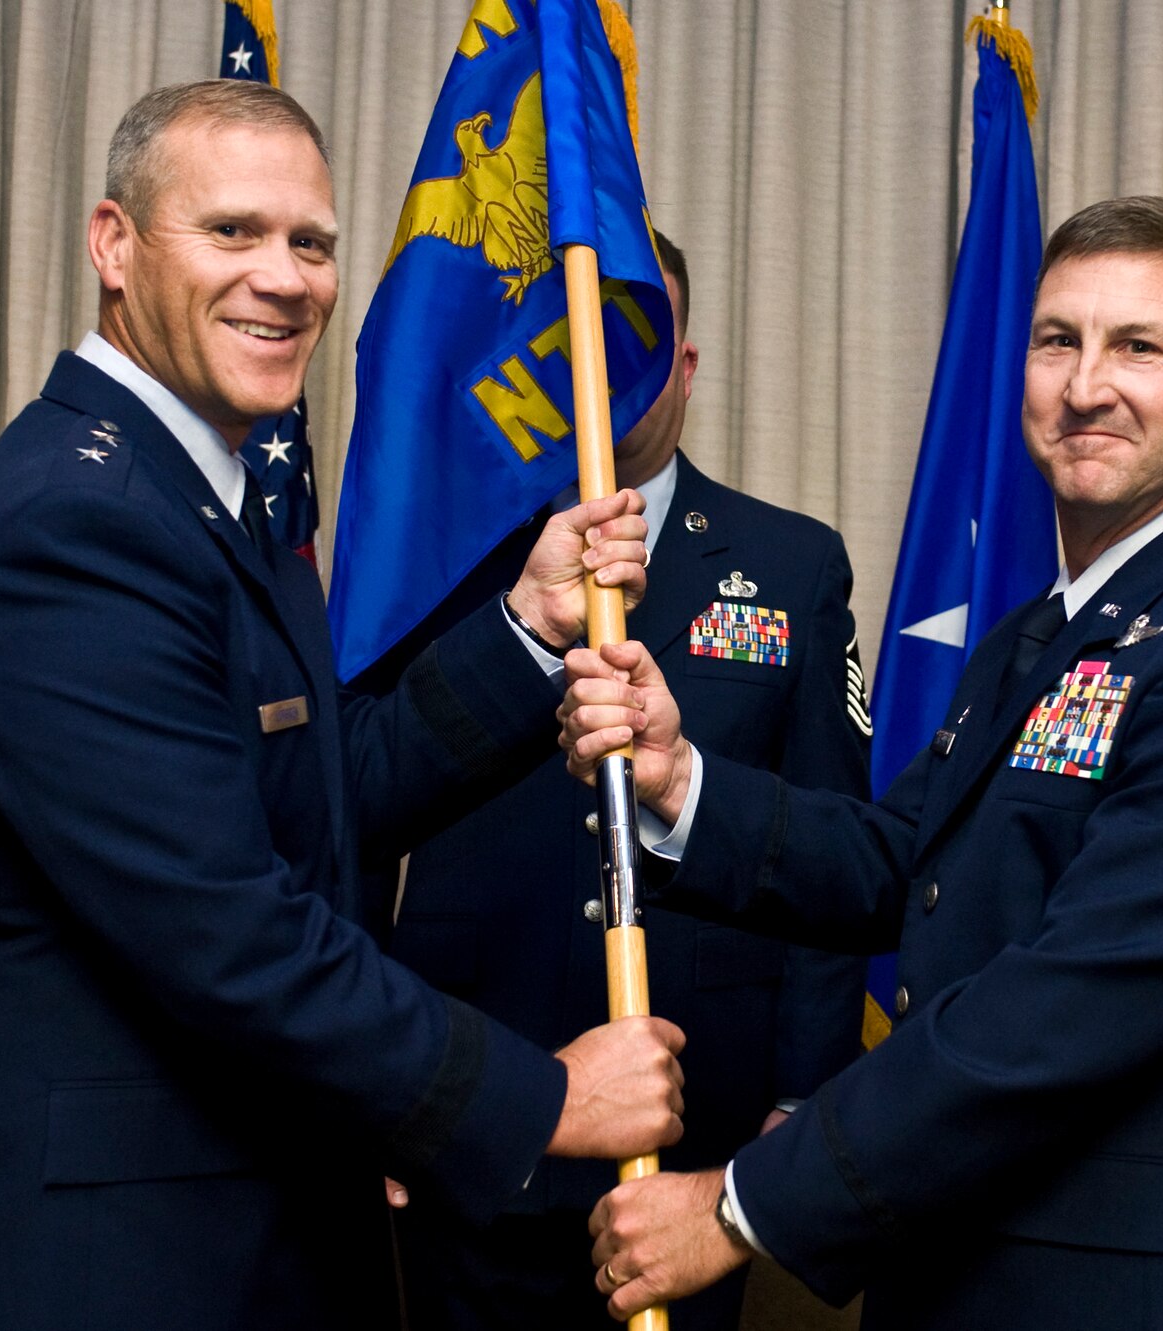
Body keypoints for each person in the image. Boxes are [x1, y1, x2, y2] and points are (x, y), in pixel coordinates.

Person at [0, 80, 687, 1331]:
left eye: (311, 241)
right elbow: (226, 930)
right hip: (117, 1264)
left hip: (254, 1224)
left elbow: (319, 796)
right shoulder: (70, 528)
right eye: (234, 232)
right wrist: (542, 1099)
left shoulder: (206, 493)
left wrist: (530, 627)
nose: (287, 277)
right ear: (113, 244)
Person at [562, 196, 1163, 1330]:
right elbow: (907, 862)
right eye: (1058, 340)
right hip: (953, 1262)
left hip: (1121, 1298)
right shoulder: (1038, 634)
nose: (1084, 384)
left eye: (1138, 347)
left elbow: (1067, 1003)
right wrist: (675, 780)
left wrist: (739, 1206)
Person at [353, 231, 871, 1331]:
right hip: (476, 1082)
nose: (614, 375)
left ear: (682, 367)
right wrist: (366, 1080)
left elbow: (835, 835)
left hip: (694, 1116)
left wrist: (802, 1086)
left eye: (641, 344)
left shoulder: (788, 562)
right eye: (589, 346)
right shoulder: (437, 556)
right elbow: (349, 809)